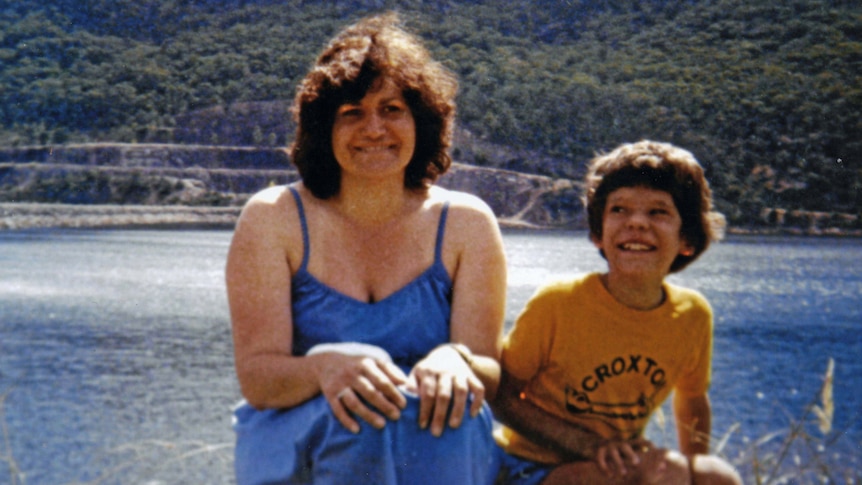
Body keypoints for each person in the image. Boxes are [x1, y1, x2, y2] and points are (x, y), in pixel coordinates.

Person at [225, 13, 507, 485]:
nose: (374, 128)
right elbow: (259, 379)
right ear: (323, 130)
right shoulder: (273, 218)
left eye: (392, 109)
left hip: (432, 444)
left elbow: (489, 374)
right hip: (307, 443)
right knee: (359, 422)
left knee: (448, 415)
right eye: (352, 113)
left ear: (422, 121)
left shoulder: (467, 224)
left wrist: (456, 358)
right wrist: (323, 367)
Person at [491, 141, 742, 485]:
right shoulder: (559, 303)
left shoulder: (691, 314)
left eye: (658, 212)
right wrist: (589, 445)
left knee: (718, 477)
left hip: (613, 464)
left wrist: (694, 470)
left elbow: (692, 399)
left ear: (687, 238)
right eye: (619, 210)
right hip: (528, 467)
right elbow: (502, 396)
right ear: (598, 233)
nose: (637, 222)